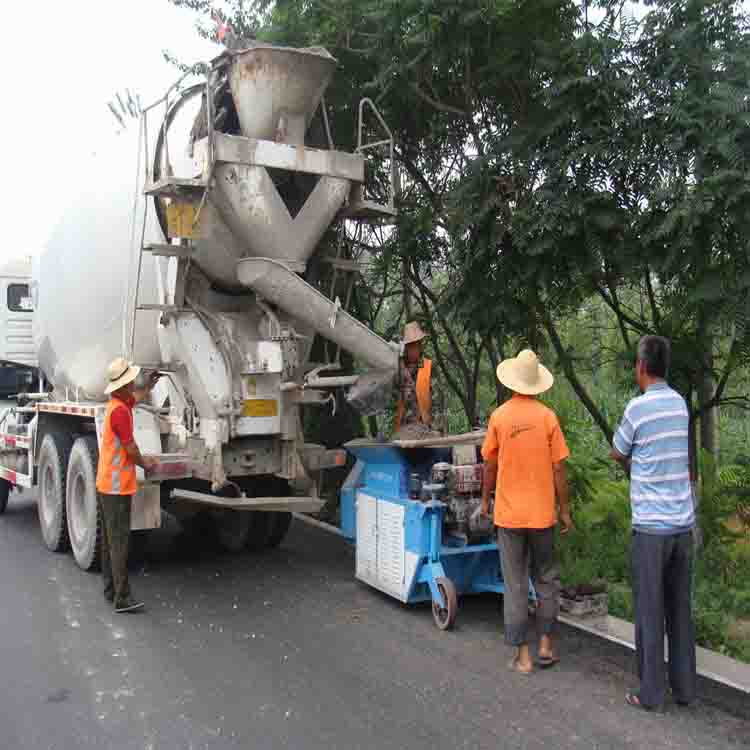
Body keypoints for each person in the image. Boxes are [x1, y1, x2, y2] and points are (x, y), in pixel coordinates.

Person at [611, 336, 696, 710]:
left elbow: (618, 451)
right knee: (679, 609)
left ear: (642, 367)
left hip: (651, 530)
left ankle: (650, 693)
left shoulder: (637, 409)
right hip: (682, 527)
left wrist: (636, 468)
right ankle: (685, 690)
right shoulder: (680, 405)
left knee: (649, 611)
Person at [480, 349, 572, 674]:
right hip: (542, 516)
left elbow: (489, 466)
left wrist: (484, 500)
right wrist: (565, 510)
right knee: (546, 578)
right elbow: (559, 469)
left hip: (509, 517)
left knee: (515, 583)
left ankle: (523, 656)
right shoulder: (548, 418)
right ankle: (547, 645)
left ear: (512, 381)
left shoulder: (499, 417)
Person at [96, 358, 159, 614]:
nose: (134, 383)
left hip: (106, 484)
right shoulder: (120, 411)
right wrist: (147, 464)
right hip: (116, 487)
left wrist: (150, 386)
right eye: (131, 380)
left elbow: (138, 398)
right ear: (122, 385)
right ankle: (122, 597)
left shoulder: (118, 404)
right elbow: (131, 448)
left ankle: (110, 589)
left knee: (110, 541)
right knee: (120, 542)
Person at [393, 321, 434, 439]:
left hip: (425, 428)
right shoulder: (399, 370)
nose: (411, 350)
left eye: (414, 346)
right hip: (403, 429)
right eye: (408, 346)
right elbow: (394, 396)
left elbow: (438, 400)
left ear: (420, 346)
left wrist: (437, 428)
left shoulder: (429, 366)